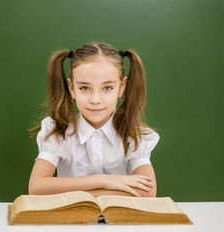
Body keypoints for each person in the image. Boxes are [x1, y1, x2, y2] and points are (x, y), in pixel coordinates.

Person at [28, 42, 159, 197]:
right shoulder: (58, 132)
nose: (95, 99)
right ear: (71, 88)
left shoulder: (135, 136)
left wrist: (86, 191)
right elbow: (36, 187)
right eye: (84, 88)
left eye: (107, 88)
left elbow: (148, 192)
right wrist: (101, 180)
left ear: (122, 87)